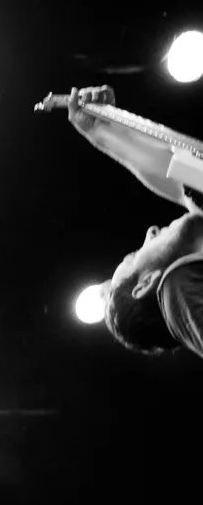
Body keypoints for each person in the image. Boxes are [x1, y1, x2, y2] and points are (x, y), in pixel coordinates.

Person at [67, 84, 203, 357]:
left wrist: (104, 130)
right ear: (145, 284)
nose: (150, 232)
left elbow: (176, 169)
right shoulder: (176, 289)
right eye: (134, 256)